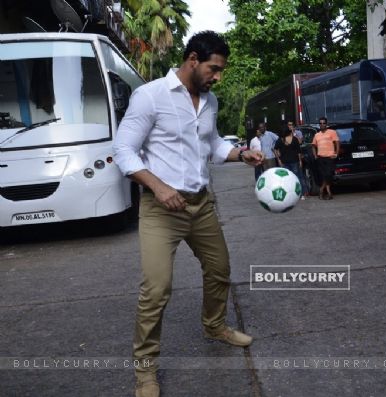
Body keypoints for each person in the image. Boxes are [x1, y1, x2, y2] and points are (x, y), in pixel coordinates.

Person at [113, 31, 263, 397]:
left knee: (219, 270)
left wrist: (240, 153)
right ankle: (145, 372)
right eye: (214, 68)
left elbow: (211, 145)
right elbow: (123, 150)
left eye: (221, 71)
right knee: (157, 288)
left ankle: (215, 326)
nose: (217, 77)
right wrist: (158, 187)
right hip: (161, 207)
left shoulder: (209, 102)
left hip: (201, 203)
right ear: (193, 59)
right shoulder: (150, 96)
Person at [274, 124, 306, 199]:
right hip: (294, 161)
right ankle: (301, 194)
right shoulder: (294, 139)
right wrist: (300, 161)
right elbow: (298, 151)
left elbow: (275, 149)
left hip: (284, 162)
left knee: (286, 179)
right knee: (297, 178)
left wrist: (278, 159)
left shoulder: (280, 140)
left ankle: (290, 195)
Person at [312, 117, 339, 200]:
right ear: (319, 124)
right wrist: (315, 155)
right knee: (324, 176)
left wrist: (336, 153)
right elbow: (313, 146)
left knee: (328, 175)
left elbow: (337, 143)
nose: (322, 124)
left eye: (324, 123)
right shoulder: (317, 135)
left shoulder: (332, 132)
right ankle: (329, 193)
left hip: (330, 157)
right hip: (320, 158)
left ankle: (321, 190)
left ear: (326, 124)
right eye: (320, 123)